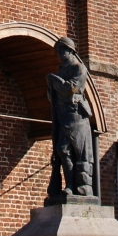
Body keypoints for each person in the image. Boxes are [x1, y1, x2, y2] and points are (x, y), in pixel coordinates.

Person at [46, 36, 94, 200]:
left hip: (76, 116)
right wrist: (50, 87)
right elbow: (54, 96)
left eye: (61, 51)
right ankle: (69, 185)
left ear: (70, 51)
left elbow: (71, 88)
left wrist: (54, 79)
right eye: (58, 51)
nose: (59, 54)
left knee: (77, 151)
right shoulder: (62, 70)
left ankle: (78, 186)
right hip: (62, 114)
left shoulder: (78, 68)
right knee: (62, 150)